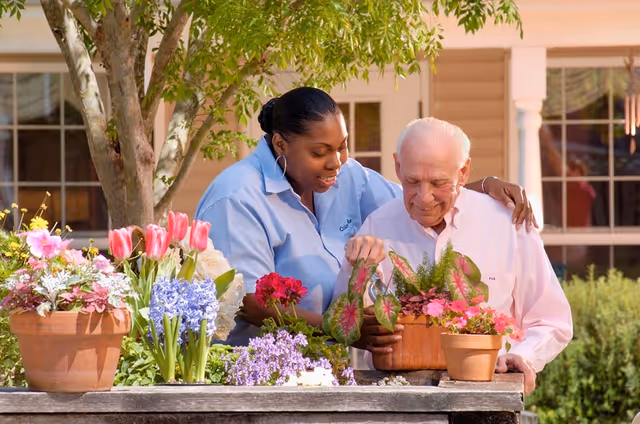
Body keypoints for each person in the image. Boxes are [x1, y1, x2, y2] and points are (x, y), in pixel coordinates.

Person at [195, 87, 538, 347]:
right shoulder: (238, 198)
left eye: (342, 146)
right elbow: (249, 302)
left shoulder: (348, 177)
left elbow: (410, 202)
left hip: (322, 373)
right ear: (281, 145)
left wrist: (480, 185)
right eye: (319, 152)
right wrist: (345, 328)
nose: (336, 162)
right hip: (250, 377)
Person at [334, 117, 573, 395]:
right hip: (398, 402)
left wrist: (524, 356)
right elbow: (345, 318)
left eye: (438, 183)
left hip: (488, 398)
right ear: (397, 166)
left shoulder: (508, 224)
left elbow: (551, 320)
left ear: (464, 171)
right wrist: (352, 269)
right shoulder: (377, 225)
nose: (424, 197)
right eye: (413, 181)